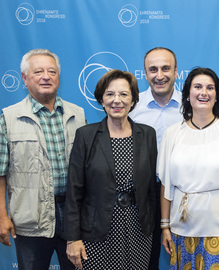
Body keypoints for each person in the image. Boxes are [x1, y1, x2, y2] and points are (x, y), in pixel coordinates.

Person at [0, 49, 86, 270]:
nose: (46, 76)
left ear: (59, 76)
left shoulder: (78, 115)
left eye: (52, 71)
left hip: (73, 215)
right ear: (24, 78)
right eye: (38, 71)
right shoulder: (8, 119)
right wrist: (1, 217)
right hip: (31, 218)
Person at [158, 67, 219, 270]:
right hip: (181, 231)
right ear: (187, 93)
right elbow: (166, 186)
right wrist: (165, 226)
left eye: (210, 88)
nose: (204, 92)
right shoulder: (172, 134)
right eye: (198, 87)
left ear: (217, 95)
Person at [64, 69, 157, 270]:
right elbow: (74, 191)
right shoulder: (86, 136)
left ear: (133, 100)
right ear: (101, 100)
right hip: (97, 231)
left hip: (138, 229)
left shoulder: (147, 135)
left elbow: (151, 190)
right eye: (110, 94)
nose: (117, 100)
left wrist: (154, 228)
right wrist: (73, 239)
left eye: (124, 94)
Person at [129, 47, 182, 269]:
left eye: (165, 68)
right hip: (142, 194)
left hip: (182, 194)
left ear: (176, 72)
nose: (159, 75)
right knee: (143, 260)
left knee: (184, 257)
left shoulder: (191, 106)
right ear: (144, 73)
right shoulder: (130, 106)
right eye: (153, 69)